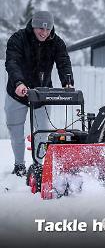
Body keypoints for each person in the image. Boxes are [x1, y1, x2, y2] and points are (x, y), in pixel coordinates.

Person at [4, 11, 74, 176]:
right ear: (33, 26)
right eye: (40, 29)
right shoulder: (18, 38)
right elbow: (12, 62)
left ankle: (38, 166)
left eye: (47, 29)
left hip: (42, 93)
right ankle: (19, 165)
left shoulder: (56, 43)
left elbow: (63, 62)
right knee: (16, 130)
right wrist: (19, 83)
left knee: (42, 131)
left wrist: (67, 81)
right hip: (17, 92)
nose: (44, 33)